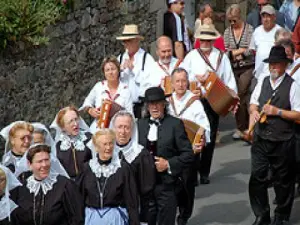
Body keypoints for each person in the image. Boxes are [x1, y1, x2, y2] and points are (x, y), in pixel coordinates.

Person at [248, 45, 300, 225]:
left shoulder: (293, 86)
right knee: (257, 177)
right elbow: (253, 104)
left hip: (283, 140)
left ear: (285, 65)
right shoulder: (262, 81)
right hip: (261, 138)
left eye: (277, 64)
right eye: (271, 64)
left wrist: (277, 111)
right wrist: (253, 112)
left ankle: (282, 216)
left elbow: (298, 114)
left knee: (283, 180)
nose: (273, 67)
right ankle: (261, 214)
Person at [183, 23, 238, 184]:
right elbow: (182, 77)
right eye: (203, 40)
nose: (205, 43)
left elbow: (229, 79)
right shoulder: (191, 56)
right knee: (193, 135)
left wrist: (233, 99)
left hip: (214, 100)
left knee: (210, 136)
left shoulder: (221, 57)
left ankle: (204, 171)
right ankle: (193, 171)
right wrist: (196, 79)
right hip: (195, 101)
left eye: (208, 40)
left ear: (213, 41)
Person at [137, 86, 194, 225]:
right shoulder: (140, 125)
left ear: (164, 104)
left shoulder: (175, 124)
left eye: (158, 103)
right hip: (145, 187)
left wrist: (168, 164)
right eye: (151, 104)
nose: (154, 107)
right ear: (147, 106)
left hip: (167, 186)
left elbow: (188, 155)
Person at [168, 68, 210, 225]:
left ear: (188, 83)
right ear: (171, 83)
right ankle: (173, 211)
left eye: (183, 81)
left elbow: (204, 126)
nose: (180, 84)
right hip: (172, 151)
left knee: (187, 184)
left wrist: (201, 139)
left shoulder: (195, 102)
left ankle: (184, 216)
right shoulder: (167, 103)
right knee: (171, 184)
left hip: (189, 150)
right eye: (177, 81)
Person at [77, 129, 140, 225]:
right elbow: (79, 199)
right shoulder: (87, 168)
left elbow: (131, 200)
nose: (108, 147)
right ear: (96, 147)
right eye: (105, 144)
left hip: (115, 219)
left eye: (111, 143)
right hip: (91, 219)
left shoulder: (122, 168)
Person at [10, 144, 84, 225]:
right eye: (39, 161)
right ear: (29, 164)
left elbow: (77, 218)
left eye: (46, 160)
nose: (44, 165)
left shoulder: (65, 185)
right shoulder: (21, 189)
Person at [111, 111, 156, 224]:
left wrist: (144, 219)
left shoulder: (141, 154)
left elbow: (147, 191)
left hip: (135, 210)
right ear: (113, 129)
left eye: (127, 127)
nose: (123, 132)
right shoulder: (106, 152)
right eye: (119, 127)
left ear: (132, 130)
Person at [224, 4, 255, 139]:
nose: (232, 23)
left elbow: (251, 50)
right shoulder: (227, 32)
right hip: (233, 68)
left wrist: (239, 53)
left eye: (234, 20)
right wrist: (241, 50)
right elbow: (227, 52)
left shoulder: (249, 30)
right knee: (237, 97)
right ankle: (242, 126)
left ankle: (244, 126)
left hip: (247, 67)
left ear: (240, 17)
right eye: (230, 20)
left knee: (241, 92)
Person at [79, 56, 133, 133]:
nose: (110, 72)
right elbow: (87, 102)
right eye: (107, 70)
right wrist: (90, 110)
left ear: (118, 71)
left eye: (113, 69)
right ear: (104, 73)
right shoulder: (99, 86)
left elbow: (130, 115)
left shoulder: (125, 90)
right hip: (99, 129)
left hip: (118, 131)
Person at [116, 24, 156, 118]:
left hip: (141, 106)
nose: (126, 44)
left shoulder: (147, 59)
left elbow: (150, 83)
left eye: (129, 41)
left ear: (137, 41)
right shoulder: (120, 58)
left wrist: (133, 69)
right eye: (124, 42)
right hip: (123, 106)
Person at [50, 106, 92, 180]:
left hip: (88, 182)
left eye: (76, 119)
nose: (75, 124)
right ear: (62, 127)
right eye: (70, 121)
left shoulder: (89, 138)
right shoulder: (58, 145)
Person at [249, 4, 282, 83]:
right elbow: (253, 50)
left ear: (274, 17)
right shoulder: (257, 31)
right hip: (258, 75)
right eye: (263, 17)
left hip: (274, 76)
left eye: (268, 16)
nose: (265, 19)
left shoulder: (280, 32)